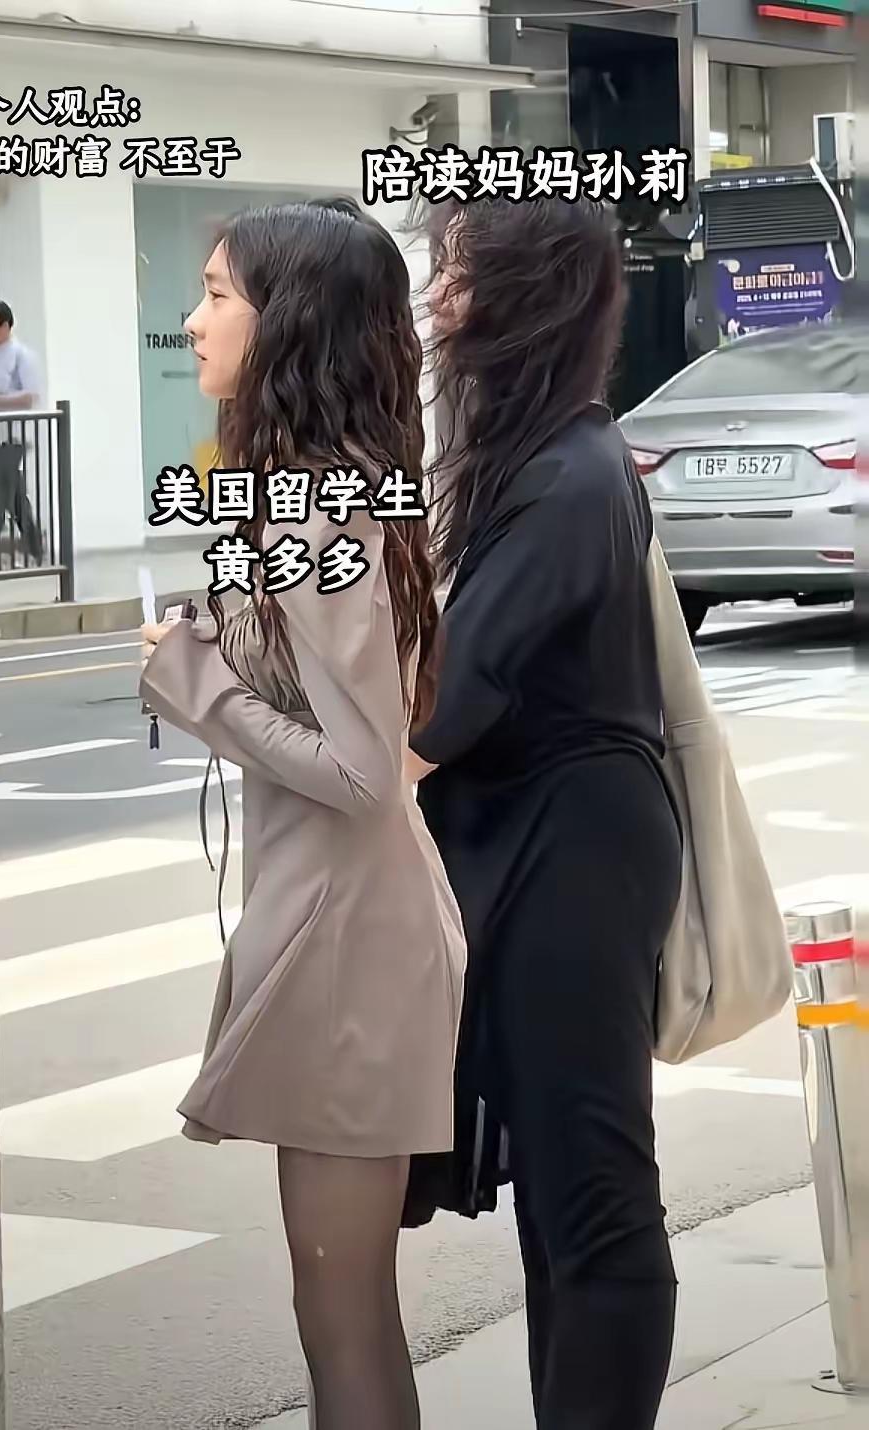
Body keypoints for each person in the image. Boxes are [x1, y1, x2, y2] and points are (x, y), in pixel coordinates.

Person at [138, 197, 466, 1429]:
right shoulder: (312, 496)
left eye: (219, 294)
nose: (194, 319)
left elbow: (366, 771)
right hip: (340, 922)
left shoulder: (318, 509)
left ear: (291, 323)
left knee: (340, 1312)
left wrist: (198, 684)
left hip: (350, 942)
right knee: (342, 1308)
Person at [402, 195, 684, 1430]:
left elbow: (443, 708)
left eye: (458, 275)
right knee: (561, 1208)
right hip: (552, 836)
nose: (436, 300)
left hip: (575, 853)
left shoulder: (570, 475)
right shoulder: (547, 457)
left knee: (595, 1197)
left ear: (526, 299)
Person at [0, 299, 43, 563]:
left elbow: (30, 397)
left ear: (5, 326)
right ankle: (36, 549)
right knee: (15, 498)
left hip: (11, 438)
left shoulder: (21, 356)